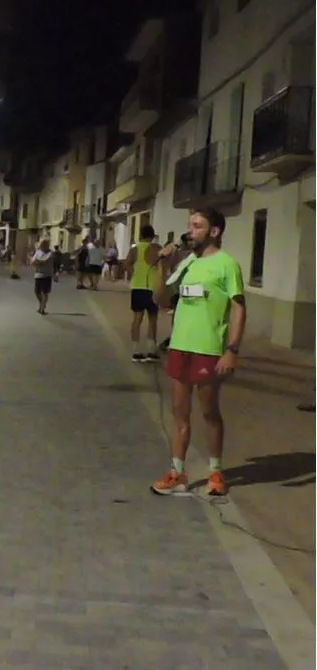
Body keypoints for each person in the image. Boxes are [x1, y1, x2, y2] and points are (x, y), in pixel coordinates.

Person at [149, 208, 245, 498]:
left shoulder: (227, 265)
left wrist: (232, 350)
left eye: (197, 226)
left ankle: (215, 471)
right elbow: (159, 298)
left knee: (209, 412)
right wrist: (166, 265)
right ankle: (177, 472)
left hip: (209, 349)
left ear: (214, 231)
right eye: (189, 226)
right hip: (180, 346)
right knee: (180, 414)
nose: (190, 231)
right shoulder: (187, 263)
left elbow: (239, 308)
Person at [124, 225, 161, 363]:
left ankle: (136, 351)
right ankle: (151, 350)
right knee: (153, 319)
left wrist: (133, 274)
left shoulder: (135, 249)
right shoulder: (157, 248)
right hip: (153, 287)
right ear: (152, 236)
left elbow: (127, 264)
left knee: (137, 318)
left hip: (138, 287)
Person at [31, 239, 55, 315]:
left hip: (47, 275)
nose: (42, 246)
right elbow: (32, 262)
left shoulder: (50, 253)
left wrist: (37, 261)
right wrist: (37, 261)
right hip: (38, 274)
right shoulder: (38, 252)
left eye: (44, 244)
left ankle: (42, 309)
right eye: (41, 244)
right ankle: (42, 304)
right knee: (37, 292)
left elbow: (44, 261)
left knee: (45, 292)